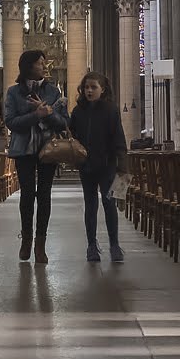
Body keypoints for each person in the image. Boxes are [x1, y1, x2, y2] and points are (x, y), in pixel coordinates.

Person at [3, 49, 68, 262]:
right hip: (23, 150)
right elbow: (11, 122)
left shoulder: (53, 92)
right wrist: (35, 115)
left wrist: (49, 114)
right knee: (28, 194)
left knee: (45, 195)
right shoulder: (14, 92)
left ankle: (41, 244)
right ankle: (26, 240)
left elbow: (63, 122)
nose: (44, 66)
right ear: (29, 66)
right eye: (41, 62)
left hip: (48, 149)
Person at [68, 72, 129, 262]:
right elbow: (72, 135)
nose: (89, 90)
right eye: (86, 87)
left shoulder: (111, 110)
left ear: (102, 90)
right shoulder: (78, 112)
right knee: (90, 205)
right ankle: (91, 246)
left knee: (109, 203)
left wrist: (123, 167)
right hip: (86, 165)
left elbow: (119, 139)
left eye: (93, 87)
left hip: (107, 165)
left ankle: (114, 244)